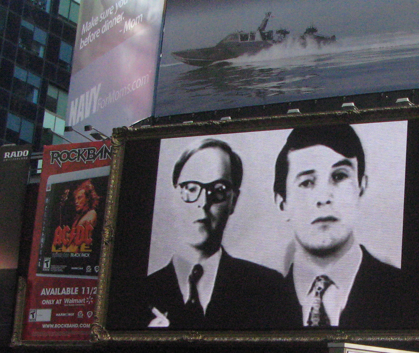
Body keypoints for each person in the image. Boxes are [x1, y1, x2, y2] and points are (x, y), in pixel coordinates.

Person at [118, 138, 298, 329]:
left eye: (218, 190)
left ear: (233, 201)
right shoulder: (134, 296)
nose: (203, 202)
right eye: (191, 188)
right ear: (174, 196)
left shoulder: (267, 289)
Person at [273, 124, 407, 328]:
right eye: (307, 182)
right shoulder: (259, 303)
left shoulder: (406, 292)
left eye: (339, 176)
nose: (324, 198)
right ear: (282, 203)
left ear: (361, 187)